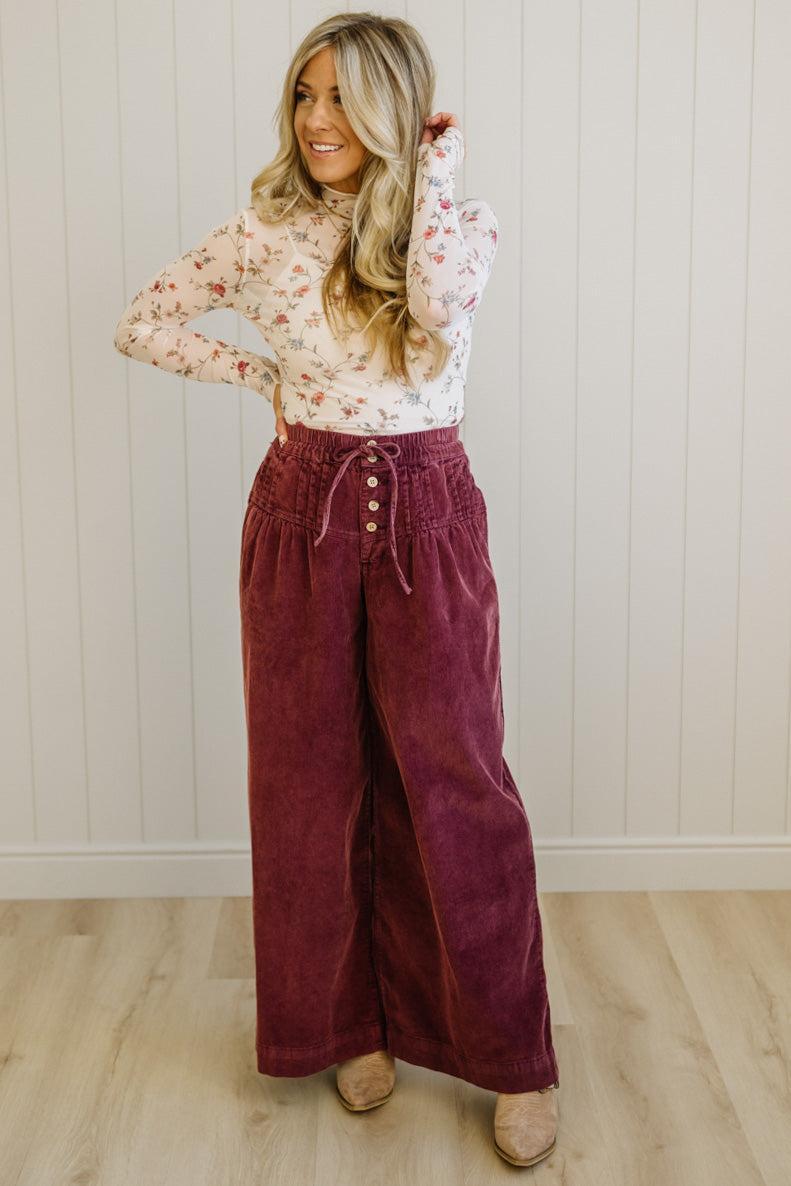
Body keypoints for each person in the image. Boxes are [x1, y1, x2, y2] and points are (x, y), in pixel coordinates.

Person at [114, 10, 560, 1169]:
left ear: (394, 113)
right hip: (299, 511)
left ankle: (514, 1056)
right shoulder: (260, 230)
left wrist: (434, 165)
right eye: (302, 95)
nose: (314, 120)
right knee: (310, 780)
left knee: (457, 782)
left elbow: (433, 309)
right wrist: (253, 369)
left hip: (426, 514)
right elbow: (144, 318)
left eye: (339, 98)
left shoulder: (457, 228)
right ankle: (347, 1024)